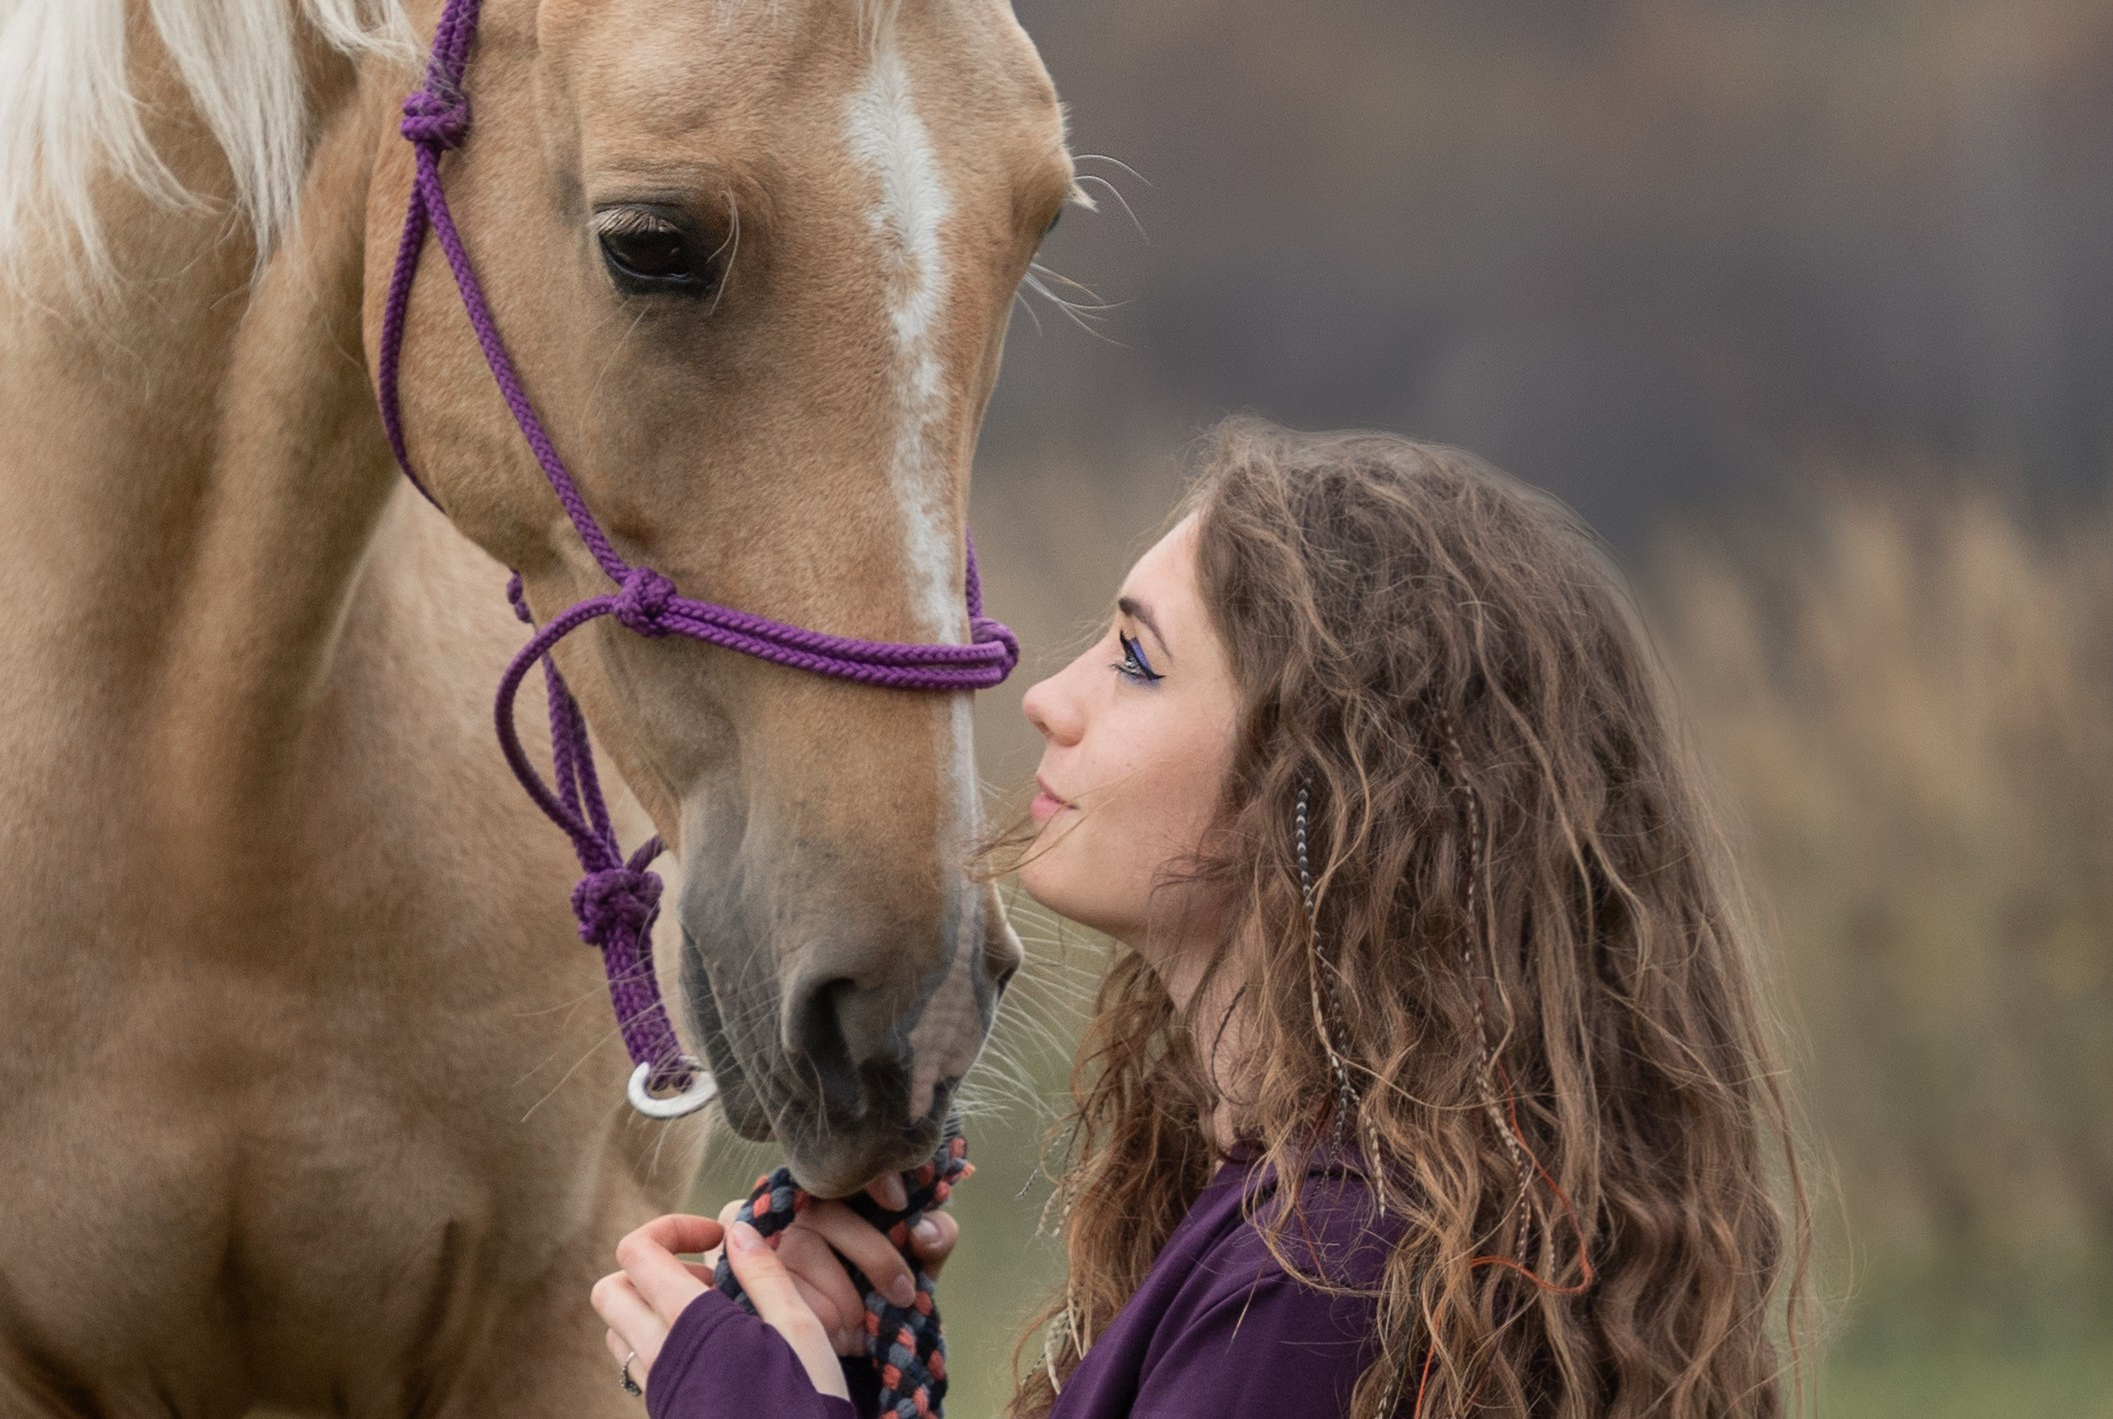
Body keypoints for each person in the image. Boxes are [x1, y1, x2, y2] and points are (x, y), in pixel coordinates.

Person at [590, 418, 1807, 1419]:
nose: (1051, 700)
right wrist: (830, 1375)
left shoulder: (1319, 1281)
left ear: (1320, 786)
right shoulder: (1301, 1225)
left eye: (1135, 661)